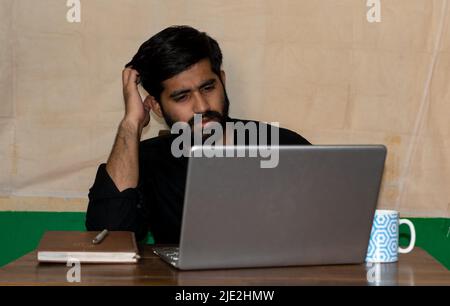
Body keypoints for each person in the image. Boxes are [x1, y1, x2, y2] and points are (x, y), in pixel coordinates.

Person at [86, 25, 311, 243]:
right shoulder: (145, 161)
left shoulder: (285, 147)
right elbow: (110, 236)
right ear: (155, 106)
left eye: (208, 88)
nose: (202, 106)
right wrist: (131, 123)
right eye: (182, 97)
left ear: (222, 81)